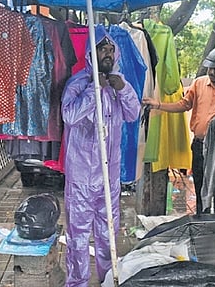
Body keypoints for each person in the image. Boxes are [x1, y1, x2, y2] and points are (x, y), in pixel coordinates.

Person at [61, 25, 140, 286]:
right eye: (101, 49)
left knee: (108, 236)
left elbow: (134, 114)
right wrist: (94, 91)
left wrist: (124, 88)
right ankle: (78, 283)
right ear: (90, 54)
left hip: (109, 178)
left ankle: (109, 280)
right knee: (78, 237)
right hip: (81, 178)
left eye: (110, 49)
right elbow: (69, 116)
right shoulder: (78, 84)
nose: (107, 54)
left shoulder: (118, 84)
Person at [142, 48, 215, 214]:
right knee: (201, 185)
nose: (210, 72)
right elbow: (184, 104)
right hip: (199, 145)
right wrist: (158, 105)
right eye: (209, 68)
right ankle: (202, 219)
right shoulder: (199, 83)